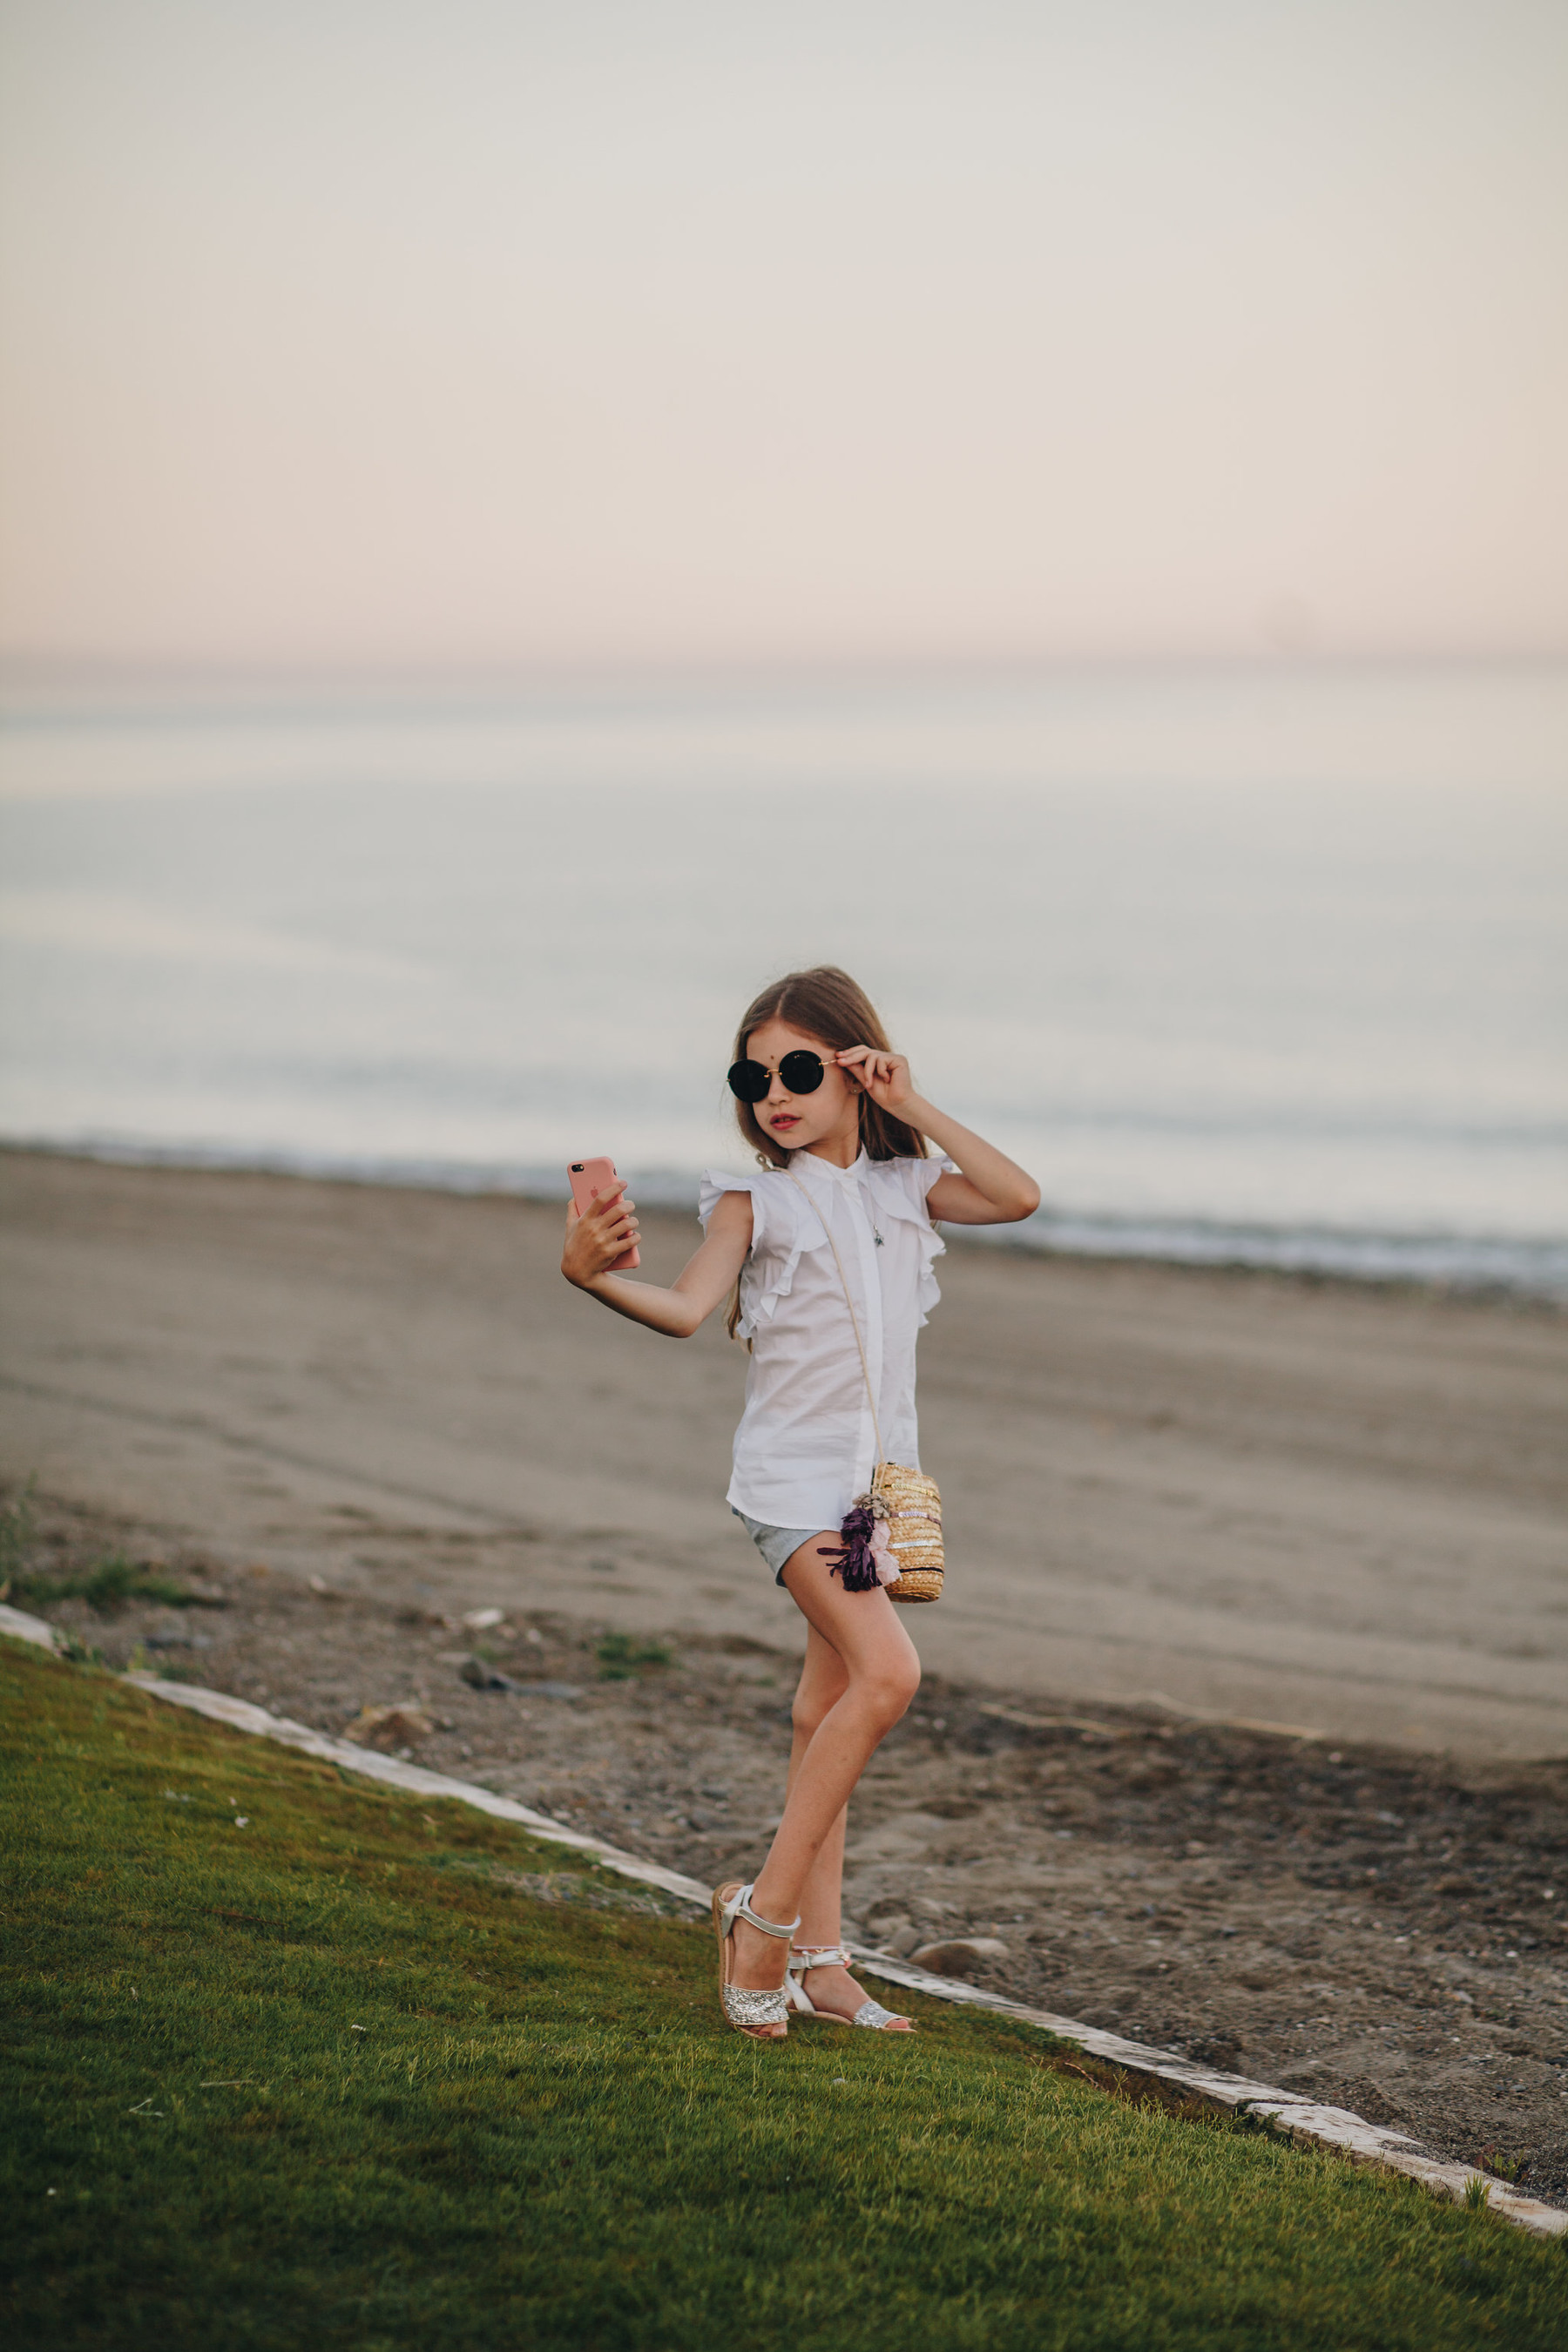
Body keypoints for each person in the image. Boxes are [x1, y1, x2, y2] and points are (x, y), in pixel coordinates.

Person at [561, 965, 1039, 2041]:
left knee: (823, 1711)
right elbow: (686, 1309)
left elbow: (1017, 1195)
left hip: (871, 1498)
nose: (772, 1090)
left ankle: (824, 1966)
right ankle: (763, 1923)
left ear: (853, 1069)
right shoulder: (752, 1199)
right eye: (753, 1073)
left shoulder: (903, 1192)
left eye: (798, 1068)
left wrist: (909, 1103)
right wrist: (592, 1277)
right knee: (888, 1674)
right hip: (789, 1491)